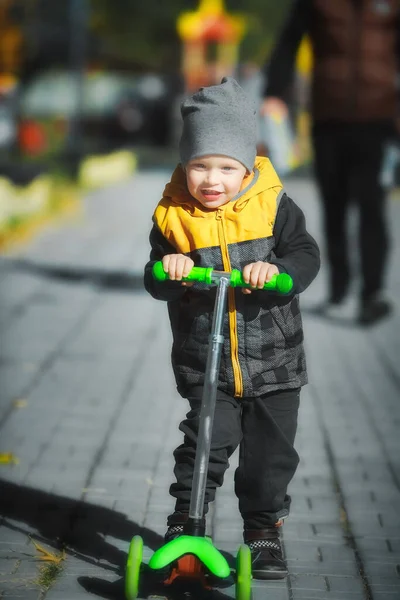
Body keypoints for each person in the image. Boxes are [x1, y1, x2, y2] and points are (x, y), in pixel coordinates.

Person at [143, 77, 320, 580]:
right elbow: (154, 277)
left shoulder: (274, 206)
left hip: (276, 363)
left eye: (226, 167)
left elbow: (305, 254)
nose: (211, 179)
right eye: (200, 165)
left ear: (247, 166)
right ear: (185, 164)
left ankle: (263, 531)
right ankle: (187, 525)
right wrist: (169, 269)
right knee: (203, 442)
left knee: (269, 458)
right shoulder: (174, 216)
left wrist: (278, 273)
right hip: (208, 361)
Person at [261, 0, 399, 325]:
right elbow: (288, 41)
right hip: (328, 118)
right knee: (333, 206)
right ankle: (339, 290)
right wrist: (273, 92)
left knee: (372, 206)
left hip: (379, 119)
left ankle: (373, 293)